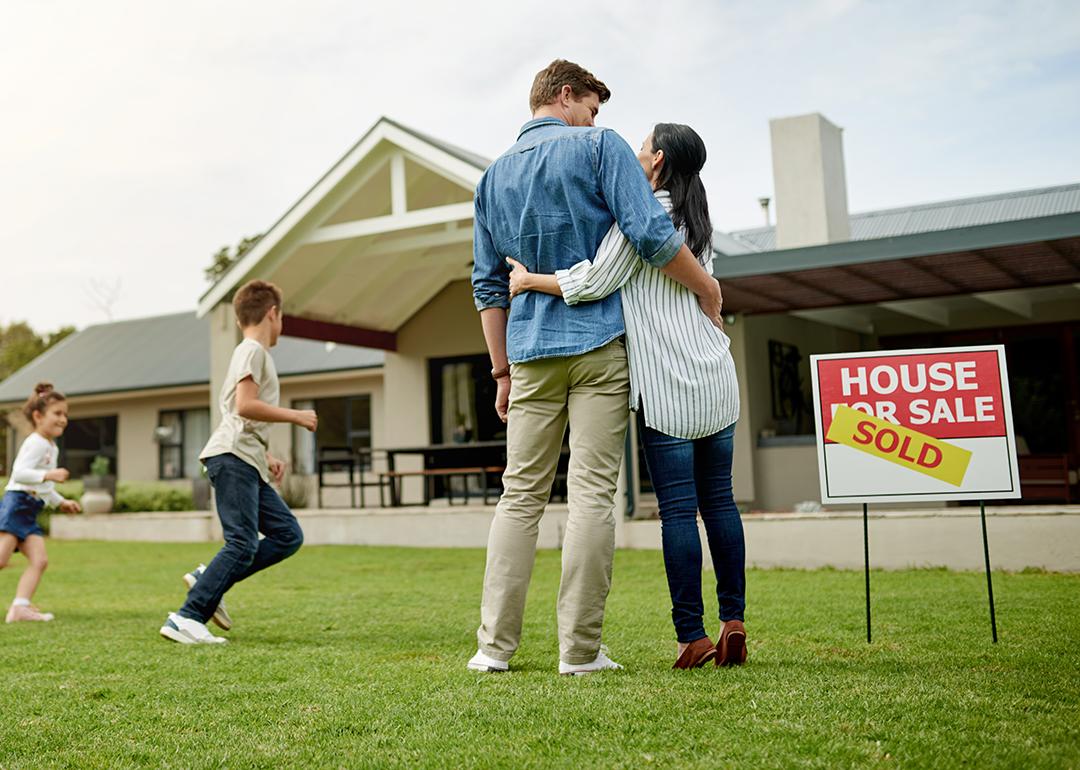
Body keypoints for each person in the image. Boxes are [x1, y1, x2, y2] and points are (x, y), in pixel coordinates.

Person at [468, 60, 724, 675]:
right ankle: (579, 653)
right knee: (590, 495)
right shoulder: (600, 146)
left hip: (527, 354)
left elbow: (487, 287)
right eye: (591, 105)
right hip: (598, 344)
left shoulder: (491, 177)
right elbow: (651, 235)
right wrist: (707, 289)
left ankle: (492, 650)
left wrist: (501, 372)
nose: (595, 118)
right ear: (566, 95)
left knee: (518, 496)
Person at [506, 123, 747, 668]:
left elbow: (593, 282)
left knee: (680, 513)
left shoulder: (643, 216)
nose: (635, 153)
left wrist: (528, 281)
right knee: (721, 503)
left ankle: (693, 636)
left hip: (669, 384)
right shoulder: (699, 219)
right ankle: (734, 620)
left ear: (656, 160)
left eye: (642, 146)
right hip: (716, 373)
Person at [159, 279, 317, 644]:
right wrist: (296, 416)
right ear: (272, 313)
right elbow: (244, 405)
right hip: (231, 456)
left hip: (245, 456)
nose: (282, 324)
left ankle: (207, 578)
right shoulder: (252, 351)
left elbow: (242, 415)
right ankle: (187, 616)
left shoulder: (253, 353)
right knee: (242, 543)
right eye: (282, 316)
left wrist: (267, 454)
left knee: (287, 535)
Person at [1, 382, 82, 623]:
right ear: (38, 416)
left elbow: (42, 488)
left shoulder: (50, 446)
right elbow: (20, 474)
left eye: (65, 414)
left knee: (40, 560)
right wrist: (48, 474)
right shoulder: (35, 442)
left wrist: (61, 502)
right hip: (17, 506)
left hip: (29, 509)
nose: (63, 419)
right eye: (57, 413)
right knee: (1, 560)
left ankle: (20, 608)